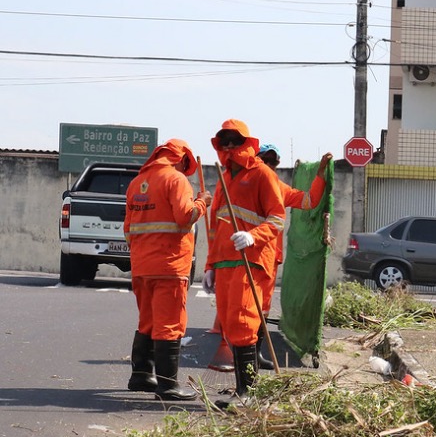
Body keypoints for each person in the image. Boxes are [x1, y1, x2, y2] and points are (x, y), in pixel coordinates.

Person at [202, 120, 286, 398]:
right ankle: (243, 391)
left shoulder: (262, 174)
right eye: (224, 142)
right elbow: (216, 228)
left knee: (244, 323)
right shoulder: (224, 179)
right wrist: (209, 266)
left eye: (234, 141)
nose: (228, 147)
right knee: (230, 326)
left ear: (246, 144)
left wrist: (253, 236)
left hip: (251, 260)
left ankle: (247, 394)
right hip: (225, 262)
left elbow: (277, 218)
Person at [124, 138, 211, 401]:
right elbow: (185, 216)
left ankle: (141, 375)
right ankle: (168, 385)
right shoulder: (176, 180)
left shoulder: (136, 183)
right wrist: (202, 202)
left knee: (148, 321)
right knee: (169, 324)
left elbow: (128, 229)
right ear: (181, 158)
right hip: (170, 266)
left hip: (142, 266)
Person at [253, 144, 333, 369]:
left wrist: (320, 174)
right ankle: (243, 357)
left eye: (272, 161)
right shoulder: (244, 183)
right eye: (264, 160)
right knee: (247, 307)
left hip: (267, 258)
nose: (268, 165)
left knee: (262, 308)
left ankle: (252, 356)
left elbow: (309, 201)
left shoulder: (278, 187)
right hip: (246, 256)